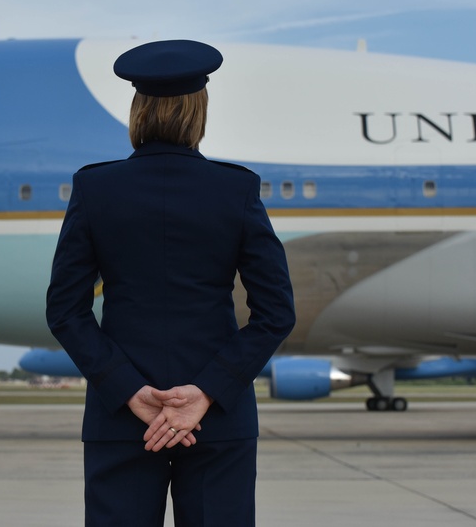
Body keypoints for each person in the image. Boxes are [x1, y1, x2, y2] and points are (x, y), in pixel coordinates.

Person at [46, 39, 296, 526]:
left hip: (121, 419)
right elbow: (276, 313)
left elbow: (66, 312)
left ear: (137, 110)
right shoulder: (236, 189)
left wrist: (129, 391)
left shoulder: (94, 188)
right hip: (217, 420)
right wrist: (205, 392)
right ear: (198, 112)